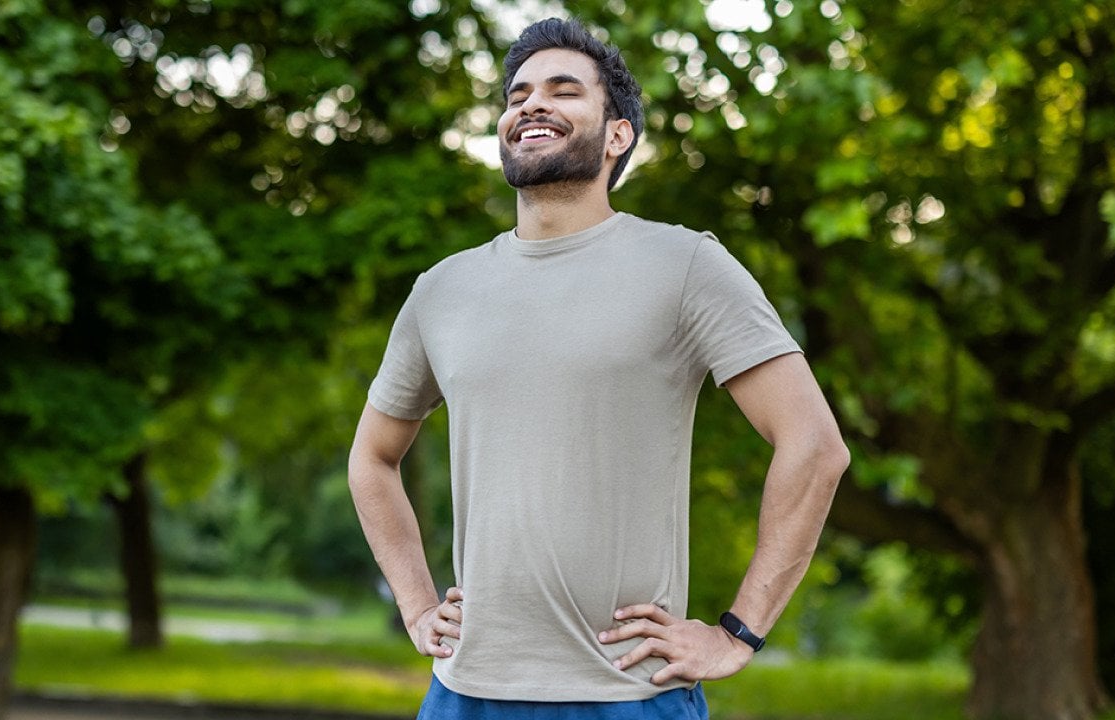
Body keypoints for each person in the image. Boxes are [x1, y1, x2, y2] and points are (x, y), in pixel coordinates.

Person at [348, 17, 849, 720]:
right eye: (517, 94)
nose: (531, 104)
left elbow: (815, 447)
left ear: (617, 135)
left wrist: (738, 633)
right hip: (465, 694)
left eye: (563, 90)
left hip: (628, 695)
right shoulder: (442, 289)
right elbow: (372, 457)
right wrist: (416, 603)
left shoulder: (686, 266)